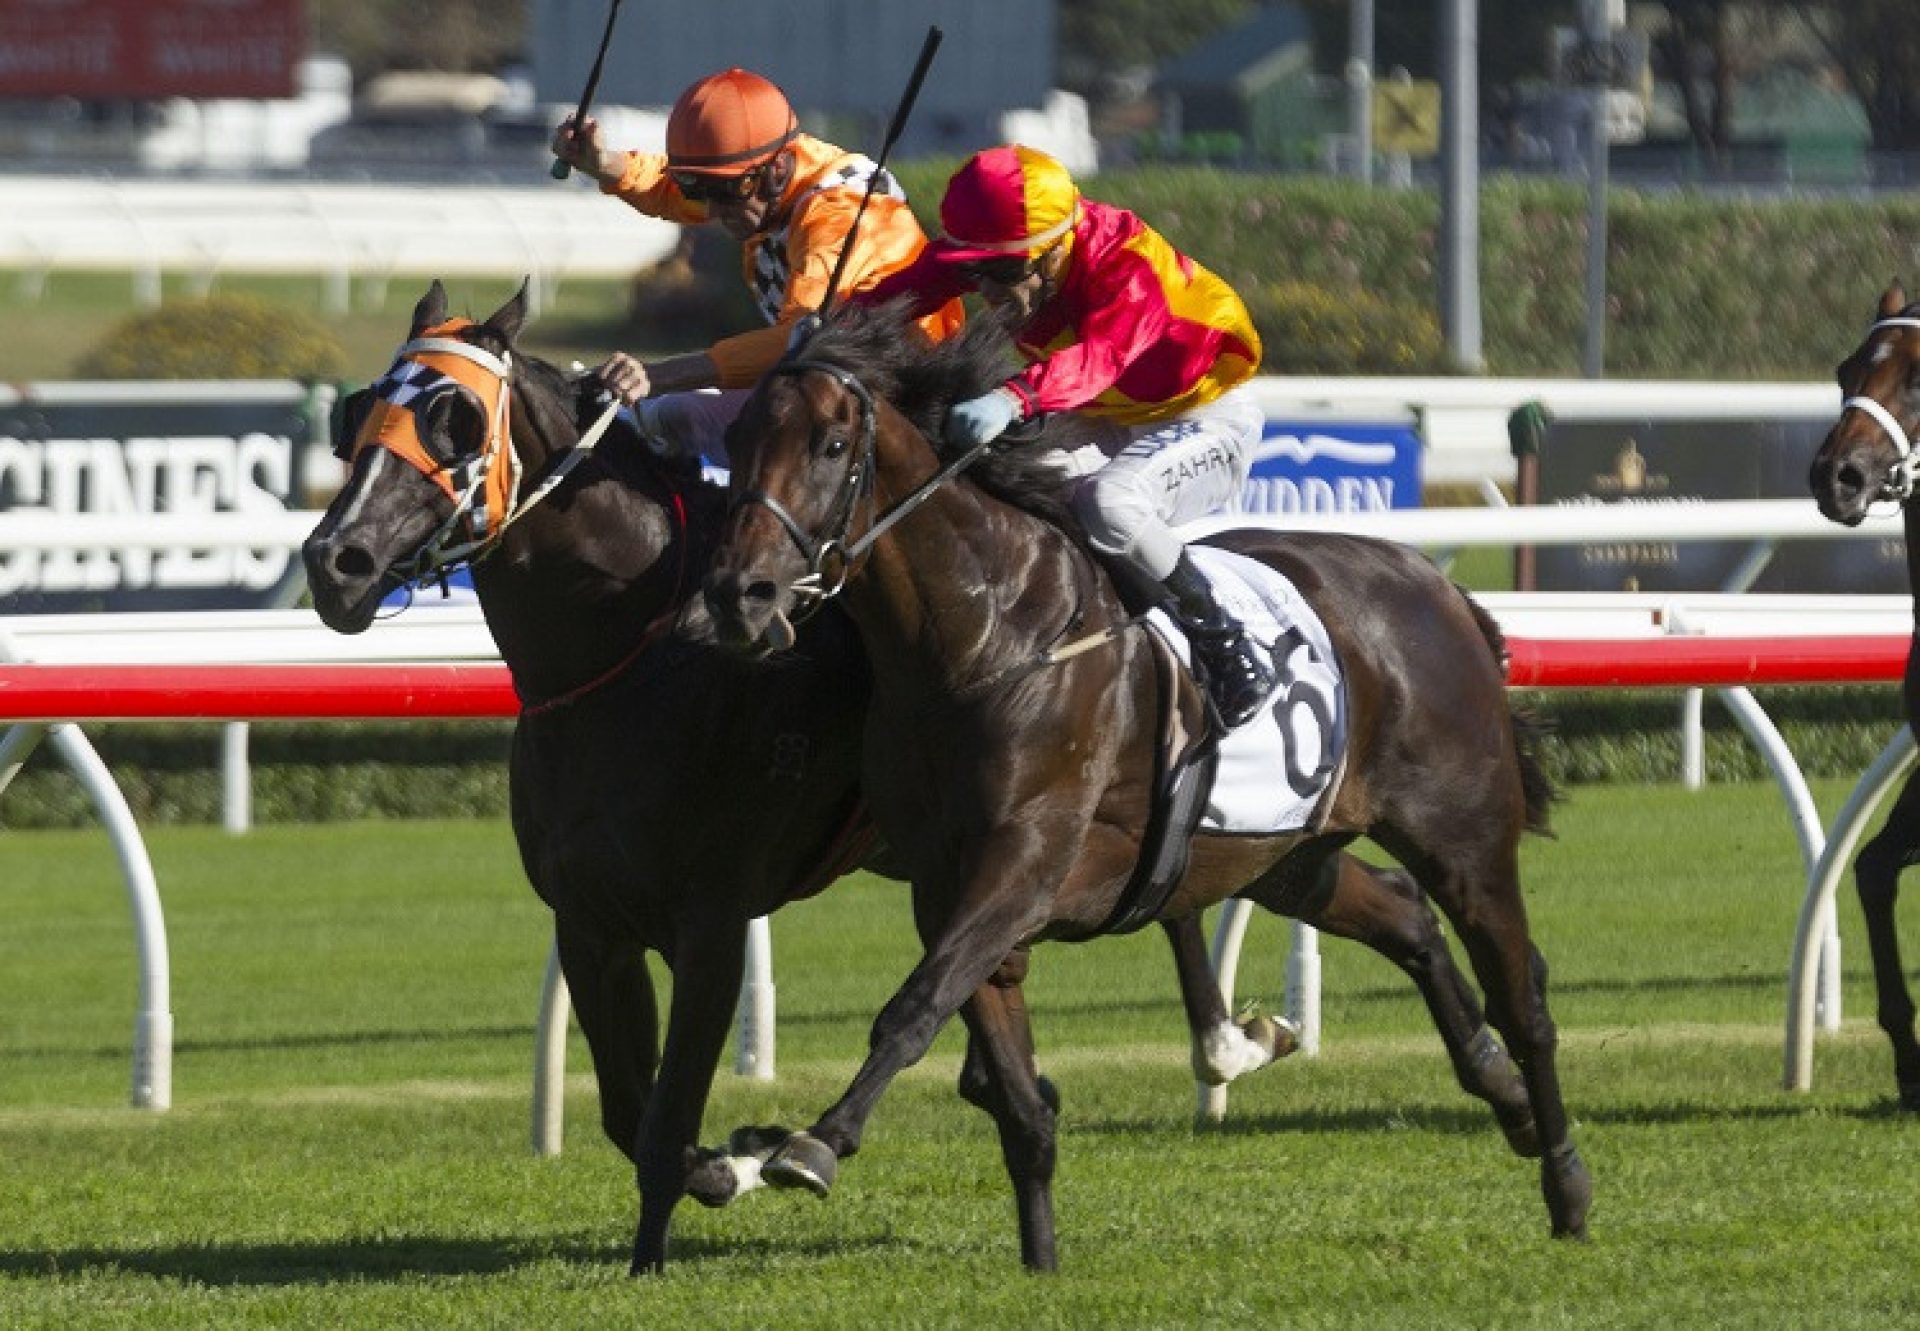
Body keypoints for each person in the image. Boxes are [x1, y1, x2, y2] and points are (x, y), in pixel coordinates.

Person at [858, 144, 1276, 728]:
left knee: (1110, 504)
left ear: (1057, 246)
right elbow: (903, 292)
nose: (990, 291)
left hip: (1200, 414)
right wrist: (832, 326)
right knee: (989, 481)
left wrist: (1014, 398)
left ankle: (1225, 643)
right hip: (1102, 413)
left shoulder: (1128, 266)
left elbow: (1100, 360)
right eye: (975, 271)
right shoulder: (1003, 248)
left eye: (1006, 274)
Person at [550, 67, 962, 460]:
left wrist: (660, 375)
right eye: (698, 189)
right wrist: (604, 164)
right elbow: (678, 185)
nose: (712, 209)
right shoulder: (764, 178)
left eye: (724, 192)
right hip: (837, 386)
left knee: (674, 415)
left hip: (911, 403)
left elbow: (801, 340)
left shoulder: (839, 216)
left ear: (776, 170)